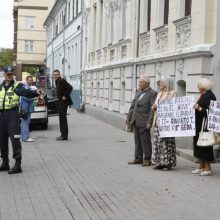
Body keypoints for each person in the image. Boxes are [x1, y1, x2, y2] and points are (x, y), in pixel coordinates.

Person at [0, 65, 40, 174]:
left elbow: (27, 92)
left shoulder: (18, 86)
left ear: (13, 75)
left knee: (15, 140)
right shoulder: (0, 86)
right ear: (4, 75)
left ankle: (18, 165)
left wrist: (37, 93)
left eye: (11, 74)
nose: (9, 76)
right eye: (7, 74)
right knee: (2, 141)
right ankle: (5, 163)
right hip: (2, 115)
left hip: (13, 115)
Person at [127, 76, 157, 166]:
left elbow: (152, 109)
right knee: (137, 141)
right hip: (135, 119)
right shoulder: (138, 92)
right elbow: (133, 106)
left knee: (145, 140)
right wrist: (128, 117)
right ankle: (138, 158)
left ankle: (147, 159)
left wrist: (149, 122)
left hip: (144, 120)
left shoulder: (152, 93)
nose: (139, 84)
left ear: (147, 84)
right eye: (139, 82)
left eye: (141, 82)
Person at [151, 76, 176, 171]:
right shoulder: (159, 93)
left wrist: (158, 106)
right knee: (158, 142)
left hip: (167, 122)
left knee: (166, 142)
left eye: (161, 82)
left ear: (167, 83)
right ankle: (160, 162)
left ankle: (167, 163)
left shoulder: (172, 93)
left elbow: (170, 105)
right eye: (159, 83)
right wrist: (153, 107)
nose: (159, 84)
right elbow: (156, 105)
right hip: (158, 120)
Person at [192, 78, 216, 176]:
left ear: (203, 87)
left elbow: (211, 112)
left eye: (199, 86)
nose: (198, 88)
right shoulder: (203, 95)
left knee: (205, 146)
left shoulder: (210, 96)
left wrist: (199, 107)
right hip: (198, 125)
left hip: (205, 126)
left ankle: (208, 168)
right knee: (199, 145)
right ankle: (201, 167)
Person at [53, 69, 73, 141]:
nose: (55, 76)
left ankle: (64, 136)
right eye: (54, 75)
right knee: (61, 118)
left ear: (59, 74)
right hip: (60, 102)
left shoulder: (62, 80)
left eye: (57, 74)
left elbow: (70, 87)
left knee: (62, 119)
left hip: (63, 102)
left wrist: (65, 96)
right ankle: (63, 135)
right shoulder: (57, 81)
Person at [20, 75, 37, 142]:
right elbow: (26, 97)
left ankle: (24, 137)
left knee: (24, 122)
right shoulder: (25, 87)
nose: (31, 81)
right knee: (26, 122)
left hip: (25, 108)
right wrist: (34, 98)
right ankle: (26, 138)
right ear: (26, 80)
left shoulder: (27, 87)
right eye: (30, 80)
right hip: (25, 108)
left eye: (32, 80)